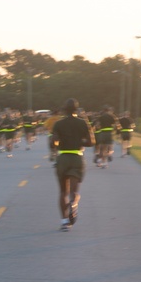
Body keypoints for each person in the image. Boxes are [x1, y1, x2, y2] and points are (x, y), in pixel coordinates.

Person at [50, 98, 95, 230]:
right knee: (74, 191)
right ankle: (73, 205)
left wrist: (59, 143)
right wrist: (79, 141)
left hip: (63, 158)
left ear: (64, 110)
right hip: (77, 157)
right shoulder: (83, 123)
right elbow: (91, 142)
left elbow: (53, 143)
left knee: (63, 191)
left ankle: (64, 221)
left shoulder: (58, 124)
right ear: (76, 110)